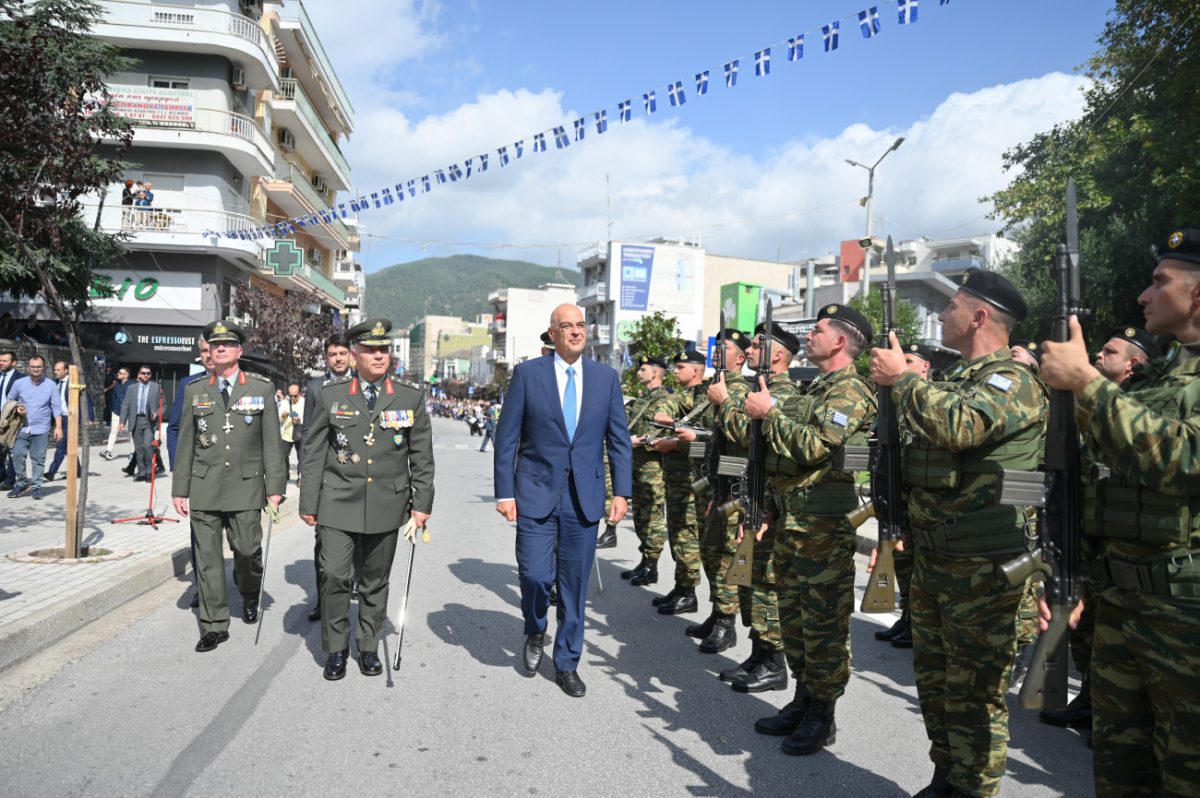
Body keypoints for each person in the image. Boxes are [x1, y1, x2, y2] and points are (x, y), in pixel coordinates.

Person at [869, 269, 1046, 798]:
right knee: (937, 686)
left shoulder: (1011, 382)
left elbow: (959, 427)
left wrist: (903, 379)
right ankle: (947, 778)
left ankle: (972, 788)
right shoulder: (954, 381)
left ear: (981, 317)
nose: (941, 316)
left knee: (974, 696)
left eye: (951, 308)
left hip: (985, 571)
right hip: (935, 563)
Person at [1039, 228, 1200, 797]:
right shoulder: (1157, 380)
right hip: (1122, 601)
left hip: (1187, 616)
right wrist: (1071, 572)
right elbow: (1097, 485)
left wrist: (1086, 382)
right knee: (1119, 774)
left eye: (1160, 282)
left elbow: (1183, 459)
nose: (1144, 295)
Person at [748, 304, 876, 754]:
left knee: (823, 627)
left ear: (840, 340)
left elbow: (814, 446)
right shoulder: (819, 388)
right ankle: (803, 698)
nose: (810, 335)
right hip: (793, 522)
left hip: (822, 530)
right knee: (796, 623)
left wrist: (770, 414)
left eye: (818, 330)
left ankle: (823, 714)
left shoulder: (851, 392)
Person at [493, 303, 632, 698]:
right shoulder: (528, 375)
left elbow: (619, 440)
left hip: (584, 499)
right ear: (552, 334)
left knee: (574, 587)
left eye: (580, 325)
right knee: (536, 576)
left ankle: (567, 661)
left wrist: (621, 492)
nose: (575, 332)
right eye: (566, 326)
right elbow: (508, 439)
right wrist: (504, 492)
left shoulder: (606, 379)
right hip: (535, 494)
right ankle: (535, 629)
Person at [300, 319, 434, 680]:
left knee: (375, 580)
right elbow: (312, 453)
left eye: (384, 349)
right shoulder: (332, 393)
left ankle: (369, 646)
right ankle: (337, 648)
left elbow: (421, 455)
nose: (379, 355)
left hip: (387, 504)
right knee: (334, 574)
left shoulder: (409, 395)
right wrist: (308, 502)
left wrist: (422, 503)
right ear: (355, 354)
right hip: (337, 500)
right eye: (371, 350)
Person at [172, 320, 285, 653]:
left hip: (247, 486)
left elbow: (272, 444)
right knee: (206, 560)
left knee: (248, 551)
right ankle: (214, 624)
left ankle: (250, 593)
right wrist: (180, 489)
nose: (219, 348)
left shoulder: (261, 388)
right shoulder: (196, 390)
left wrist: (274, 488)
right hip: (205, 485)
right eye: (214, 344)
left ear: (239, 351)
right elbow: (186, 445)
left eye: (227, 344)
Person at [707, 321, 802, 694]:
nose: (752, 348)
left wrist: (725, 403)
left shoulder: (784, 395)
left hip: (772, 502)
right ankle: (759, 653)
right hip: (752, 496)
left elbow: (749, 435)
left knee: (765, 584)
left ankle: (773, 662)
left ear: (777, 355)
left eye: (761, 343)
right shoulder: (755, 390)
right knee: (750, 580)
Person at [684, 329, 752, 653]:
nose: (715, 352)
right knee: (710, 551)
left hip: (732, 484)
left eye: (723, 348)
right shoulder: (715, 388)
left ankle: (727, 622)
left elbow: (741, 438)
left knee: (726, 555)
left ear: (740, 358)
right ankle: (716, 612)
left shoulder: (740, 392)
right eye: (715, 347)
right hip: (714, 483)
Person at [873, 343, 934, 650]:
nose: (902, 364)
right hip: (898, 493)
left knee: (916, 565)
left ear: (925, 367)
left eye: (909, 360)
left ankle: (914, 620)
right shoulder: (897, 400)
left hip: (920, 497)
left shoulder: (929, 401)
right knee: (902, 561)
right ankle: (907, 617)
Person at [646, 350, 708, 615]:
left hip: (695, 481)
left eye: (680, 366)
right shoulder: (685, 397)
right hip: (677, 478)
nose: (674, 371)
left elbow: (709, 443)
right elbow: (669, 407)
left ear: (695, 371)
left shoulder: (706, 398)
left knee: (687, 536)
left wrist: (674, 445)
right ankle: (682, 587)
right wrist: (664, 415)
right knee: (678, 533)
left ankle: (689, 591)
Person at [302, 332, 354, 623]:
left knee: (355, 538)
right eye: (333, 354)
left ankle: (349, 586)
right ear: (326, 358)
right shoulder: (315, 388)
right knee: (323, 539)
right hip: (325, 475)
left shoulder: (361, 385)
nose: (338, 359)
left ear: (350, 356)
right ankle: (324, 600)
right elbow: (308, 433)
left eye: (342, 354)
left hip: (355, 473)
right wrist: (306, 474)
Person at [622, 354, 673, 588]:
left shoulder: (666, 400)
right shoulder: (641, 400)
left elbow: (666, 433)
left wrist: (639, 441)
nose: (638, 372)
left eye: (643, 369)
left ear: (655, 372)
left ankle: (652, 565)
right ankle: (645, 559)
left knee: (652, 515)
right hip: (636, 464)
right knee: (641, 515)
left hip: (654, 466)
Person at [6, 355, 62, 499]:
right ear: (28, 367)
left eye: (38, 366)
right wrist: (17, 408)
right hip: (20, 427)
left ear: (43, 368)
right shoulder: (19, 383)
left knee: (38, 459)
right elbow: (10, 400)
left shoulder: (51, 385)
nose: (35, 369)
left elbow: (56, 407)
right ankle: (22, 483)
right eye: (33, 366)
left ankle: (36, 486)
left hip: (41, 429)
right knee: (17, 455)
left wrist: (59, 427)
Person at [119, 365, 162, 482]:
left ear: (151, 375)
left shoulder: (156, 387)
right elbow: (125, 406)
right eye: (143, 373)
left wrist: (157, 413)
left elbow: (164, 405)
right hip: (135, 420)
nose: (146, 375)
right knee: (138, 449)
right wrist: (122, 421)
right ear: (138, 375)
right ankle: (141, 472)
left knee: (148, 445)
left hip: (149, 421)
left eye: (148, 373)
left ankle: (149, 472)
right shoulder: (131, 388)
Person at [0, 350, 25, 490]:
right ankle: (2, 475)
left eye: (4, 361)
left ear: (13, 363)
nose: (0, 363)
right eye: (0, 360)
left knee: (12, 449)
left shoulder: (21, 379)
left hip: (12, 418)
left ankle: (10, 480)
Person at [100, 367, 131, 460]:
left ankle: (133, 453)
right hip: (116, 412)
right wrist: (113, 409)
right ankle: (108, 451)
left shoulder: (132, 385)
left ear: (126, 375)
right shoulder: (116, 384)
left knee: (132, 434)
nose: (118, 374)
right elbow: (114, 397)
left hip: (129, 413)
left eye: (120, 373)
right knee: (113, 431)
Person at [280, 383, 304, 477]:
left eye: (295, 396)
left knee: (301, 457)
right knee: (282, 456)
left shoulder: (305, 402)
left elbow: (309, 418)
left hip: (299, 433)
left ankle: (300, 478)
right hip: (286, 434)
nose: (292, 398)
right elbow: (279, 418)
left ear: (300, 393)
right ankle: (285, 475)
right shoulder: (285, 402)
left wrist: (300, 420)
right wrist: (283, 416)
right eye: (290, 396)